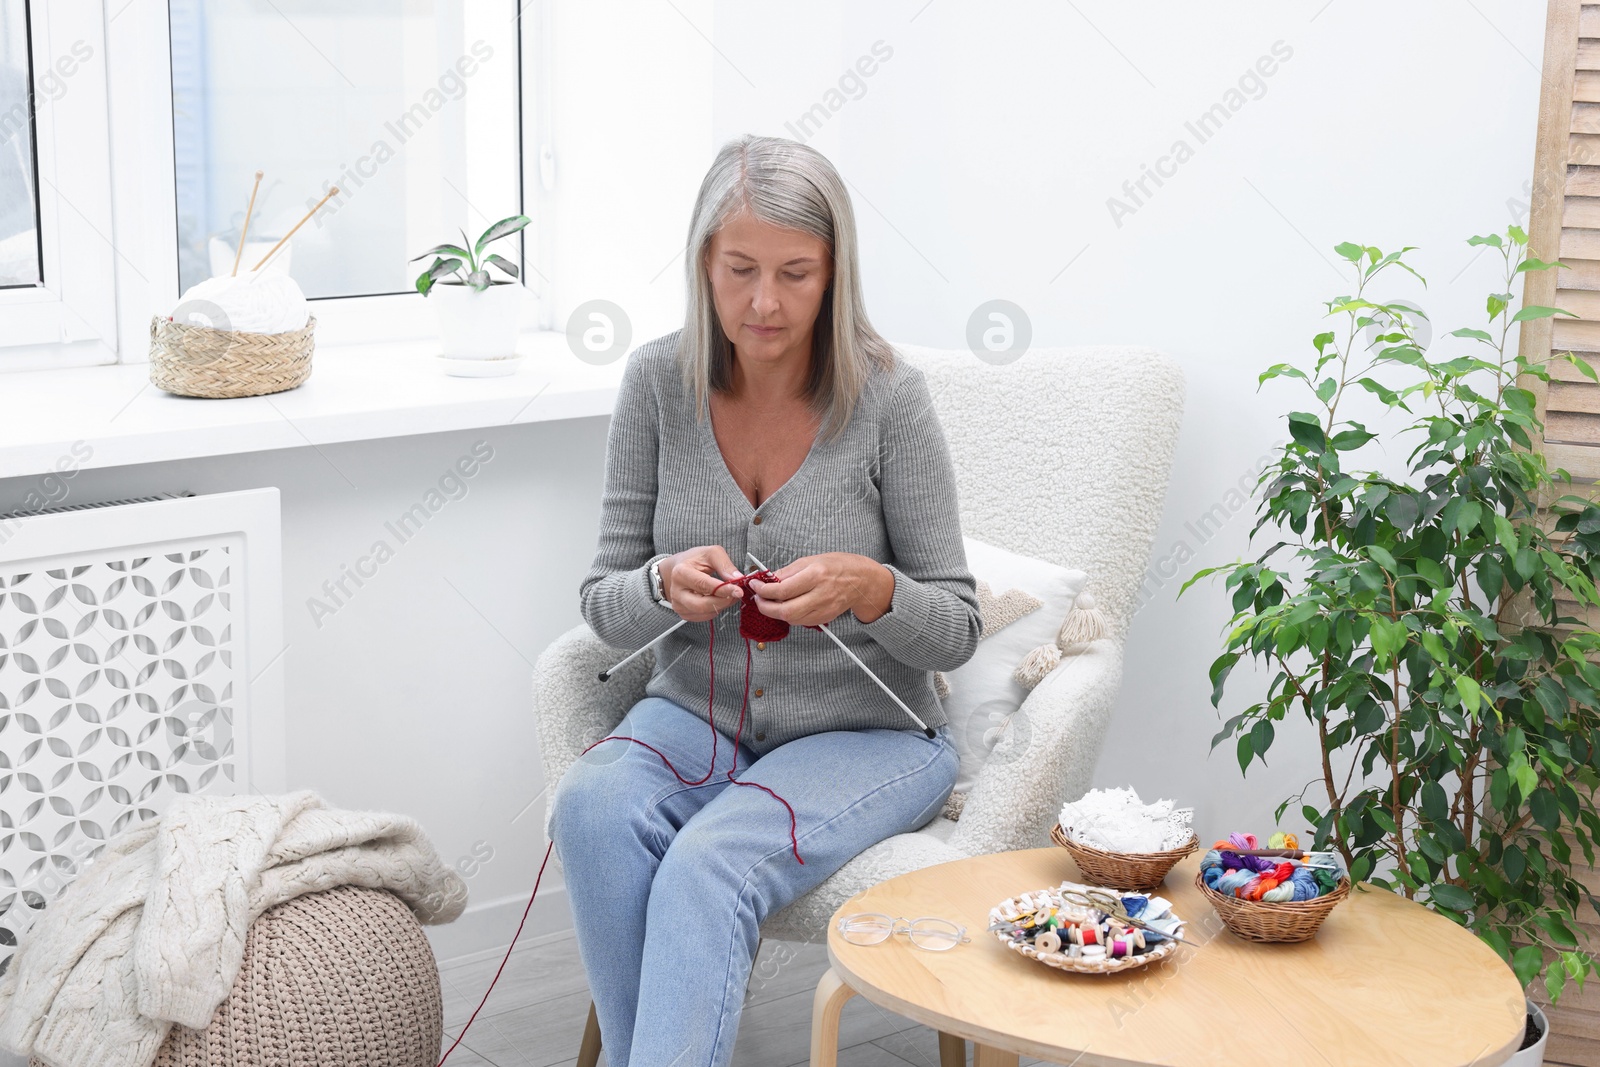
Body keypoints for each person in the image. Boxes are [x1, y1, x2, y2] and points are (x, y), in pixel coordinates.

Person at [548, 133, 980, 1067]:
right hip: (694, 715)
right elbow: (602, 601)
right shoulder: (657, 384)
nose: (764, 302)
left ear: (837, 274)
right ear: (704, 262)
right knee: (589, 806)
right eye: (739, 268)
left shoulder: (889, 399)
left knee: (711, 863)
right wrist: (662, 585)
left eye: (796, 273)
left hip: (871, 735)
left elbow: (956, 627)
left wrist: (874, 588)